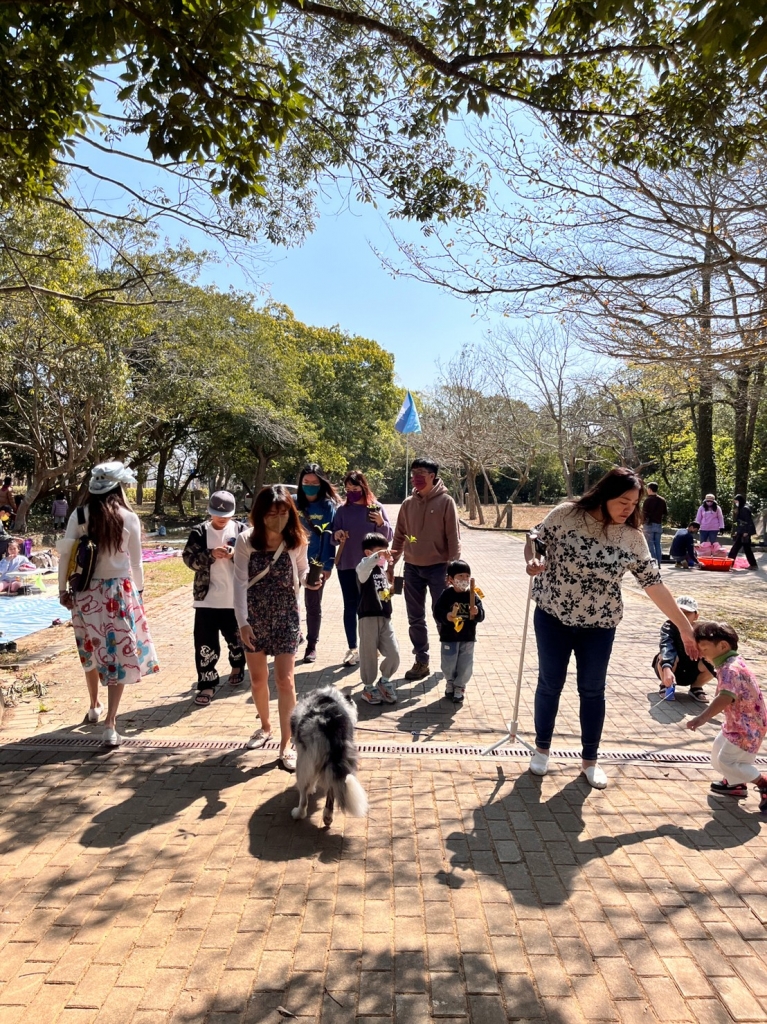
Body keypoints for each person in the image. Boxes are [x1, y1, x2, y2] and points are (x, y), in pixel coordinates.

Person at [524, 467, 700, 789]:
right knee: (550, 683)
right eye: (622, 502)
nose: (628, 509)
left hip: (600, 626)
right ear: (605, 496)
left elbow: (654, 584)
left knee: (593, 690)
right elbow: (535, 540)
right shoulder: (567, 515)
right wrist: (533, 560)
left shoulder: (632, 538)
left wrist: (684, 626)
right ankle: (542, 749)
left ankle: (590, 760)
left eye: (634, 504)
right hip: (552, 617)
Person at [58, 461, 159, 746]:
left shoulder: (79, 515)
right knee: (117, 655)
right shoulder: (128, 517)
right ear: (118, 487)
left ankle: (93, 705)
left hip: (85, 592)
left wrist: (62, 590)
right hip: (118, 592)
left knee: (90, 648)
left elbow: (65, 555)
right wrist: (139, 592)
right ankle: (110, 723)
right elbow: (136, 563)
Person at [233, 485, 316, 771]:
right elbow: (239, 584)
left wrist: (311, 579)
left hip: (286, 615)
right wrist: (243, 623)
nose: (278, 518)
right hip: (254, 616)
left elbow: (302, 570)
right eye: (271, 513)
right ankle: (265, 727)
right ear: (260, 514)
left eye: (283, 512)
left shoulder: (297, 540)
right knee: (258, 680)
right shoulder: (245, 540)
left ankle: (287, 743)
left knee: (285, 680)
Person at [392, 457, 461, 682]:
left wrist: (453, 570)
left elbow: (453, 537)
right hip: (412, 568)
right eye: (413, 473)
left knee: (443, 616)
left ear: (432, 476)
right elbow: (399, 536)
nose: (416, 477)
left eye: (421, 473)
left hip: (439, 569)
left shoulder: (446, 502)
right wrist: (391, 563)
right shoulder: (407, 504)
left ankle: (450, 660)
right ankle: (421, 660)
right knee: (415, 618)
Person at [687, 620, 767, 811]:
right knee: (717, 756)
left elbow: (725, 697)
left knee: (727, 761)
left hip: (747, 728)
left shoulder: (730, 669)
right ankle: (735, 784)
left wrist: (702, 717)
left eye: (704, 648)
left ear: (723, 646)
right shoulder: (729, 663)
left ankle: (763, 783)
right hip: (737, 724)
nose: (701, 653)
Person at [182, 490, 247, 707]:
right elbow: (189, 560)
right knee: (204, 643)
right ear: (210, 512)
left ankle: (237, 666)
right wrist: (209, 555)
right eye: (217, 514)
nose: (221, 518)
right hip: (206, 599)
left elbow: (255, 559)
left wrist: (234, 554)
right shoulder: (199, 532)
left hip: (235, 598)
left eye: (226, 514)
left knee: (236, 640)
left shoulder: (242, 531)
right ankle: (207, 683)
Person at [333, 471, 393, 666]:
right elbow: (333, 535)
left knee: (370, 607)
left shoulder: (375, 508)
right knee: (350, 606)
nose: (351, 492)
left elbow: (387, 537)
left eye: (355, 488)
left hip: (372, 568)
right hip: (347, 565)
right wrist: (337, 534)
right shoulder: (342, 511)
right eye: (348, 489)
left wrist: (381, 523)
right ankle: (353, 648)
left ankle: (372, 646)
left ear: (364, 487)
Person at [296, 463, 339, 663]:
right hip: (291, 562)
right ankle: (294, 635)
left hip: (315, 563)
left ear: (321, 484)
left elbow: (329, 536)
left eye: (314, 483)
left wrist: (327, 565)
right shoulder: (293, 503)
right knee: (289, 603)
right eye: (306, 482)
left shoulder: (327, 506)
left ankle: (312, 645)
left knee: (313, 605)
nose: (310, 486)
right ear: (301, 483)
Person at [433, 559, 485, 705]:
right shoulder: (446, 595)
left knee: (465, 664)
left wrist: (477, 612)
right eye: (460, 576)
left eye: (467, 576)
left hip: (467, 637)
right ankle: (450, 682)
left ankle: (460, 686)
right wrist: (447, 616)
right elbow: (437, 612)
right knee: (448, 663)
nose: (464, 579)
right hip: (449, 637)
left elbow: (481, 615)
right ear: (451, 579)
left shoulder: (473, 595)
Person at [356, 533, 400, 704]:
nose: (385, 555)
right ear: (368, 553)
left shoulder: (382, 571)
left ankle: (385, 681)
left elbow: (383, 593)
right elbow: (363, 569)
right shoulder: (363, 568)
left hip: (385, 617)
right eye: (381, 551)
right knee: (368, 655)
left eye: (386, 551)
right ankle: (368, 687)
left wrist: (392, 590)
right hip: (367, 617)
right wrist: (378, 556)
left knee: (393, 653)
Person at [652, 595, 713, 703]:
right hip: (671, 668)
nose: (682, 617)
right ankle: (665, 686)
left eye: (687, 613)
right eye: (679, 613)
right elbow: (666, 646)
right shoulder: (669, 627)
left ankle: (696, 687)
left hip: (692, 669)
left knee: (712, 660)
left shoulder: (702, 631)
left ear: (696, 616)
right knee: (664, 656)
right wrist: (667, 667)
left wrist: (722, 677)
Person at [728, 493, 758, 570]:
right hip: (742, 531)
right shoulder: (742, 508)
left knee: (735, 549)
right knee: (747, 549)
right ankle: (753, 565)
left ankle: (729, 563)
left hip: (744, 532)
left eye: (736, 501)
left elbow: (748, 521)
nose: (736, 503)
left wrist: (746, 532)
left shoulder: (744, 509)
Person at [641, 482, 667, 566]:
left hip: (648, 525)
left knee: (650, 544)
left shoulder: (647, 500)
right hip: (658, 524)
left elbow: (644, 514)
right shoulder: (662, 500)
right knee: (658, 544)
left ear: (649, 489)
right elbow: (665, 512)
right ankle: (659, 563)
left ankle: (653, 563)